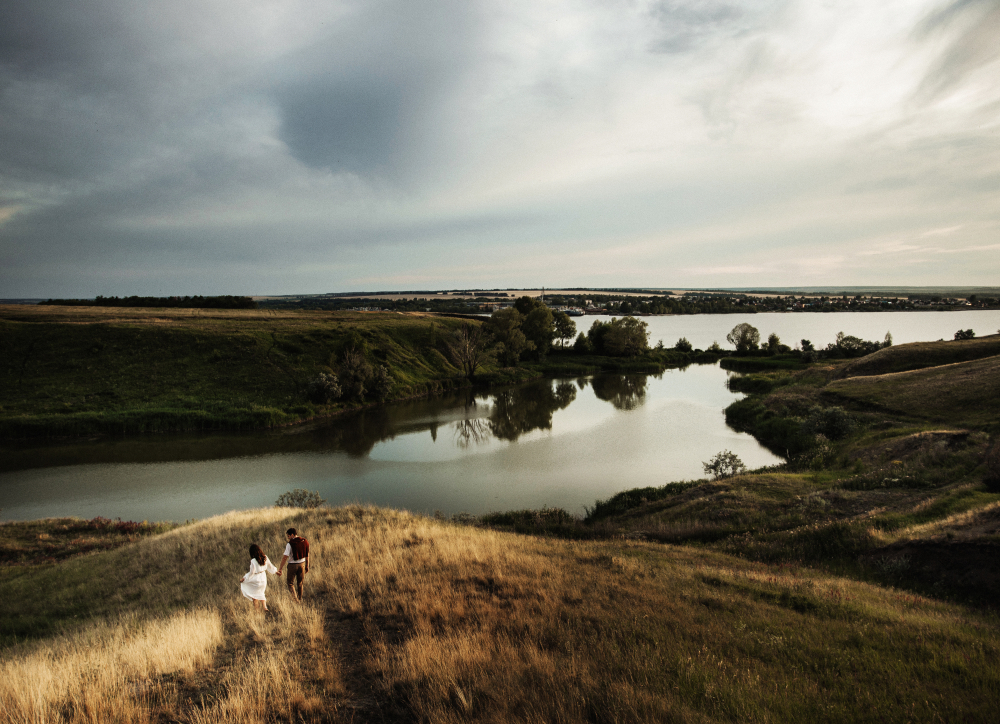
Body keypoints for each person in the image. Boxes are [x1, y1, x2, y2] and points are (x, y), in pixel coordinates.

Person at [240, 543, 278, 611]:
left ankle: (257, 611)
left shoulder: (253, 561)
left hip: (256, 579)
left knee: (254, 596)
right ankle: (265, 607)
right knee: (261, 593)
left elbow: (252, 573)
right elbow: (270, 566)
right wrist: (276, 571)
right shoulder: (265, 557)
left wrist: (245, 578)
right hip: (263, 578)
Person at [276, 527, 310, 602]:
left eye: (288, 536)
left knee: (290, 583)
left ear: (292, 535)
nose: (288, 538)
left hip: (293, 565)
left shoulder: (290, 544)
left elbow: (285, 557)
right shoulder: (305, 541)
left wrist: (280, 568)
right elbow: (307, 555)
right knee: (300, 583)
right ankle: (300, 599)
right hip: (302, 564)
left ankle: (295, 600)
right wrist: (307, 565)